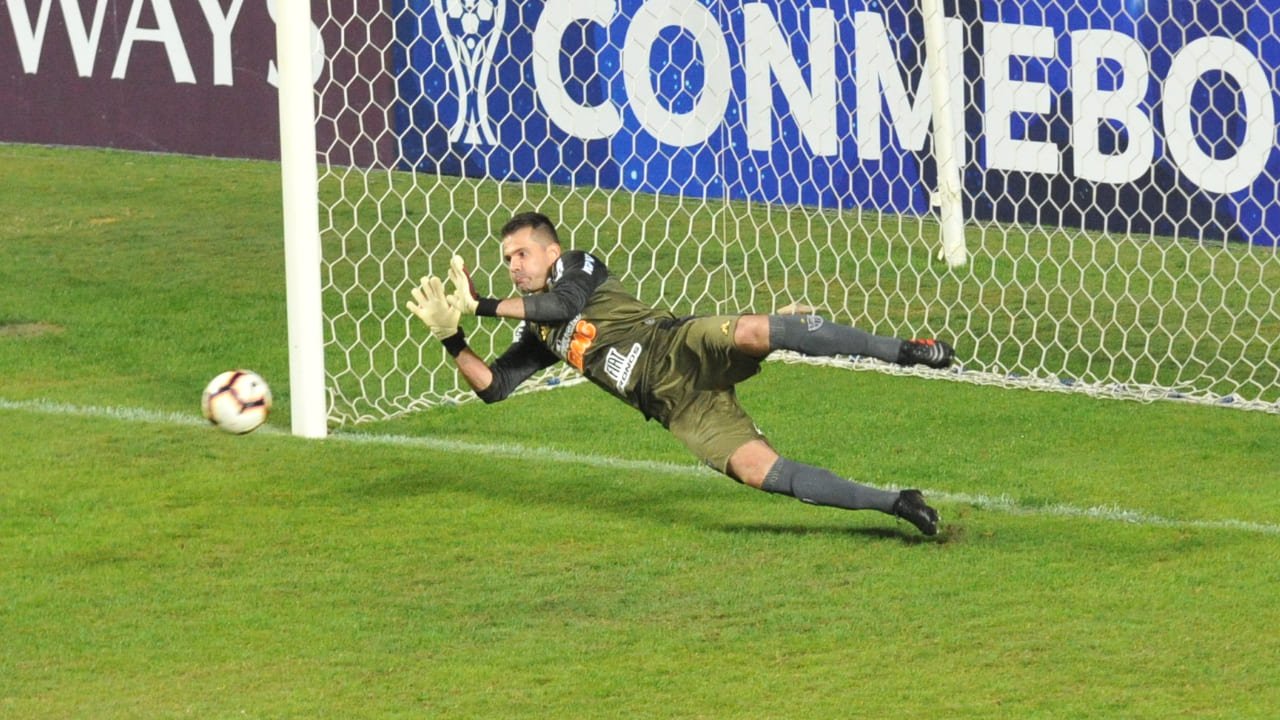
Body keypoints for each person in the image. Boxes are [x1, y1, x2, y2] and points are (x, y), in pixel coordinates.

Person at [406, 211, 954, 536]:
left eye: (521, 254)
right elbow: (494, 388)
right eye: (506, 260)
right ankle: (898, 503)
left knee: (753, 332)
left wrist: (479, 306)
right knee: (759, 471)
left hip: (679, 345)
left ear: (550, 250)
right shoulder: (538, 333)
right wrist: (451, 336)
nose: (514, 265)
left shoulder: (579, 266)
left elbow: (563, 304)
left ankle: (905, 350)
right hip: (678, 409)